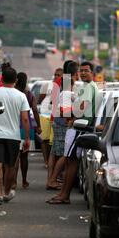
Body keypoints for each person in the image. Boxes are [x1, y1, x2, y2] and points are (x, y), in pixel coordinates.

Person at [47, 61, 99, 204]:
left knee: (71, 162)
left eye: (86, 71)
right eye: (81, 71)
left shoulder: (88, 87)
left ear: (92, 73)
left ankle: (64, 196)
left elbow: (83, 106)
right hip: (79, 127)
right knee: (70, 161)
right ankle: (63, 194)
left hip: (80, 127)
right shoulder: (86, 86)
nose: (83, 73)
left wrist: (73, 118)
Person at [0, 66, 31, 205]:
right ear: (16, 80)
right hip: (14, 136)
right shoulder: (21, 96)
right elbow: (25, 119)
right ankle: (6, 192)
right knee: (11, 166)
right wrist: (27, 138)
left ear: (2, 78)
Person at [46, 61, 79, 191]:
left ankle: (51, 180)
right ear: (74, 74)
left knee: (55, 152)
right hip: (62, 122)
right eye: (77, 73)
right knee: (63, 154)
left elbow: (55, 103)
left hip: (58, 120)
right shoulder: (66, 86)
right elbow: (63, 110)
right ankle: (52, 180)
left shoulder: (63, 83)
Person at [13, 72, 42, 190]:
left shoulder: (12, 93)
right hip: (26, 127)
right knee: (24, 157)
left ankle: (13, 182)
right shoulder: (29, 95)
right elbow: (35, 110)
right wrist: (38, 126)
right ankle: (24, 181)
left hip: (13, 127)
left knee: (14, 157)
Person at [39, 68, 63, 169]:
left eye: (59, 75)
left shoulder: (64, 86)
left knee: (52, 141)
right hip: (45, 113)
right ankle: (46, 161)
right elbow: (40, 98)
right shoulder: (47, 85)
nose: (56, 76)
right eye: (55, 74)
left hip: (56, 115)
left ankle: (51, 161)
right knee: (45, 139)